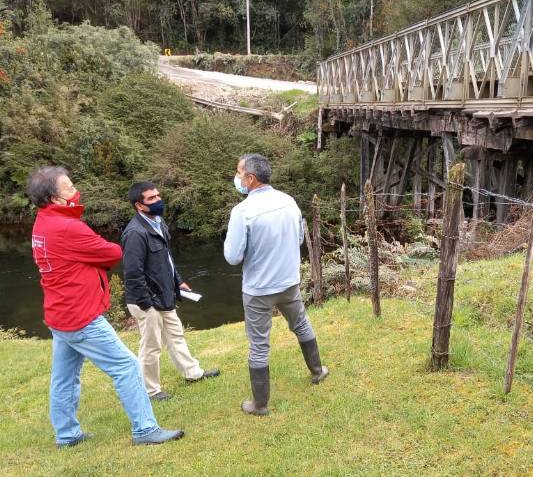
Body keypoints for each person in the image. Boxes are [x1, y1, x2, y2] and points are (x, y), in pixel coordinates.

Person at [26, 166, 183, 447]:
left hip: (59, 314)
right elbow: (112, 252)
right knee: (127, 367)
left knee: (64, 378)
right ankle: (145, 429)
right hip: (81, 316)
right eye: (69, 187)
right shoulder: (66, 227)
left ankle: (67, 435)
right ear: (55, 199)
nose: (76, 191)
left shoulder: (43, 223)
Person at [224, 154, 329, 416]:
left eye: (239, 173)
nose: (236, 178)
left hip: (258, 289)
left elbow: (233, 257)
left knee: (259, 344)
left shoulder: (242, 212)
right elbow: (299, 240)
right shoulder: (288, 201)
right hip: (288, 282)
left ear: (250, 179)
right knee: (301, 324)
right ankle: (318, 371)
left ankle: (259, 405)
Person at [122, 181, 220, 401]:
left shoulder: (159, 222)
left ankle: (193, 373)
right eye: (151, 198)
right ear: (139, 205)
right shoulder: (135, 233)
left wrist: (178, 281)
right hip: (146, 300)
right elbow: (132, 273)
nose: (158, 200)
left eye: (158, 196)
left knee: (176, 335)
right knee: (151, 346)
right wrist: (146, 304)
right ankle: (150, 390)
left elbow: (166, 259)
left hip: (164, 293)